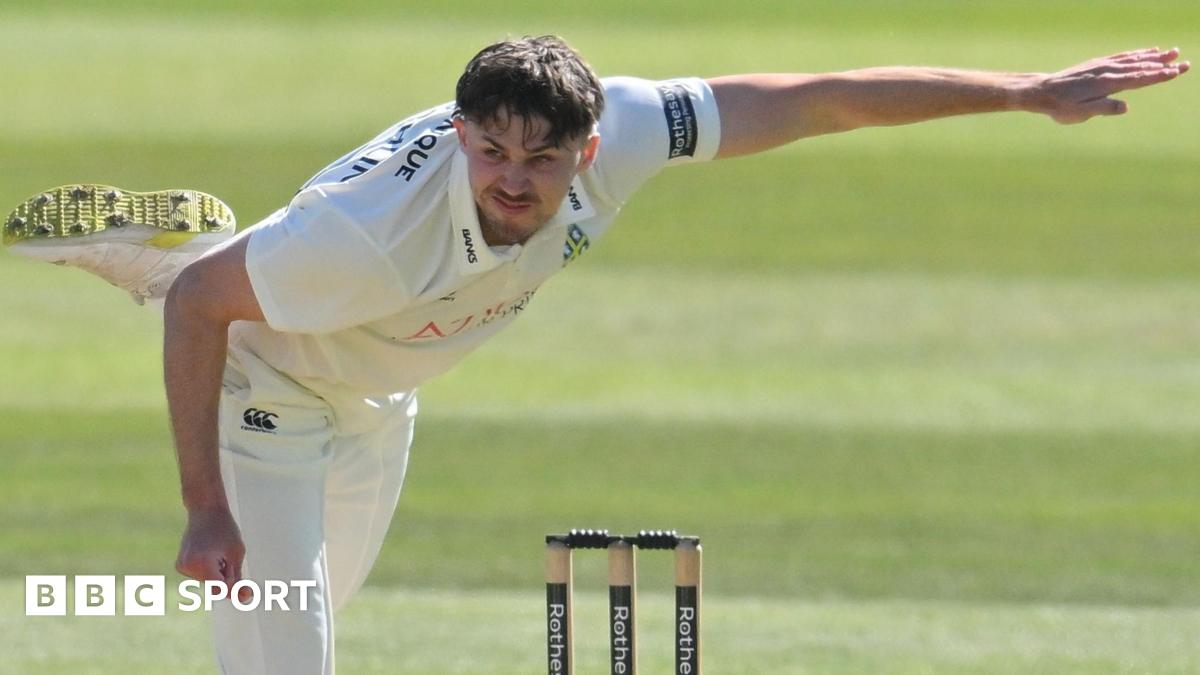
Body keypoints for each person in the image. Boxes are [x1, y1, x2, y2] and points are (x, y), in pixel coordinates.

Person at [3, 35, 1187, 674]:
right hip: (269, 377)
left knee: (319, 605)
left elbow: (816, 99)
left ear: (586, 147)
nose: (515, 183)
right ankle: (168, 256)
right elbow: (205, 315)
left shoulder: (627, 125)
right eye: (492, 156)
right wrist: (204, 509)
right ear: (461, 136)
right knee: (281, 649)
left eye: (542, 160)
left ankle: (202, 246)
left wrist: (1025, 92)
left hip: (377, 387)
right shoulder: (365, 237)